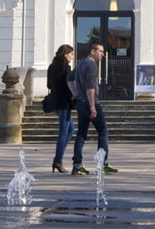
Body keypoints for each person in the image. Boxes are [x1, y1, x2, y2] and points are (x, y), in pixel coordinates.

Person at [71, 43, 115, 174]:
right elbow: (91, 87)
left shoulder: (80, 64)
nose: (103, 54)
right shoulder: (92, 65)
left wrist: (75, 92)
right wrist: (92, 106)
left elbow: (69, 78)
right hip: (90, 102)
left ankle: (77, 164)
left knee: (81, 134)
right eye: (101, 51)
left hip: (80, 102)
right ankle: (102, 163)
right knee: (103, 131)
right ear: (92, 51)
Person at [44, 45, 76, 173]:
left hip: (55, 101)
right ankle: (58, 161)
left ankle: (58, 158)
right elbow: (69, 86)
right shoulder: (66, 68)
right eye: (71, 54)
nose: (72, 57)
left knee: (71, 130)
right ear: (65, 54)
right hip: (64, 103)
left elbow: (48, 85)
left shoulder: (51, 67)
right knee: (63, 132)